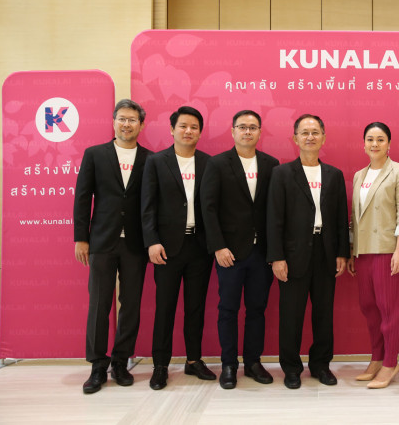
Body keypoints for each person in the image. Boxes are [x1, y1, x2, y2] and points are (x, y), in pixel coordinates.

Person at [74, 99, 152, 394]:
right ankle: (97, 365)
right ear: (113, 121)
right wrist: (81, 238)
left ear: (141, 125)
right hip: (102, 241)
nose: (126, 124)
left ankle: (121, 362)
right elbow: (83, 197)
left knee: (130, 304)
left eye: (132, 120)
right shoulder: (95, 154)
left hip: (136, 243)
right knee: (99, 304)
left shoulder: (151, 159)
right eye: (122, 119)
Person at [267, 114, 350, 389]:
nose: (310, 137)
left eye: (315, 132)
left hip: (325, 253)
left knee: (324, 314)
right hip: (292, 256)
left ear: (323, 138)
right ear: (295, 138)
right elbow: (274, 218)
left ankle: (321, 365)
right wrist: (277, 257)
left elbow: (341, 218)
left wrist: (342, 253)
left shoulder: (334, 175)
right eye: (304, 132)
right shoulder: (281, 174)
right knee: (291, 315)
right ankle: (291, 368)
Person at [200, 109, 279, 389]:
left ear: (260, 132)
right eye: (242, 127)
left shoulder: (271, 164)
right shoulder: (218, 163)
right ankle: (229, 364)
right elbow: (208, 208)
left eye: (253, 127)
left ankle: (253, 362)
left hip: (262, 252)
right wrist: (218, 247)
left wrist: (275, 251)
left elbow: (275, 210)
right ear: (233, 131)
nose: (247, 131)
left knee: (257, 309)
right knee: (228, 309)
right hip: (230, 253)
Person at [141, 106, 215, 390]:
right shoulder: (156, 162)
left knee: (196, 307)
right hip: (166, 248)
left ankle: (193, 360)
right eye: (183, 126)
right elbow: (147, 206)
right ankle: (160, 365)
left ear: (200, 132)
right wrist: (151, 241)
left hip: (199, 246)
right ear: (172, 129)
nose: (188, 131)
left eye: (194, 127)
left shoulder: (209, 163)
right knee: (165, 308)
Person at [349, 122, 399, 389]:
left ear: (389, 144)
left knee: (390, 310)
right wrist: (352, 250)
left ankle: (390, 362)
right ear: (363, 144)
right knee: (369, 307)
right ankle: (377, 358)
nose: (374, 144)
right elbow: (355, 217)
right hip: (364, 251)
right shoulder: (359, 175)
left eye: (380, 139)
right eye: (370, 139)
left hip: (389, 250)